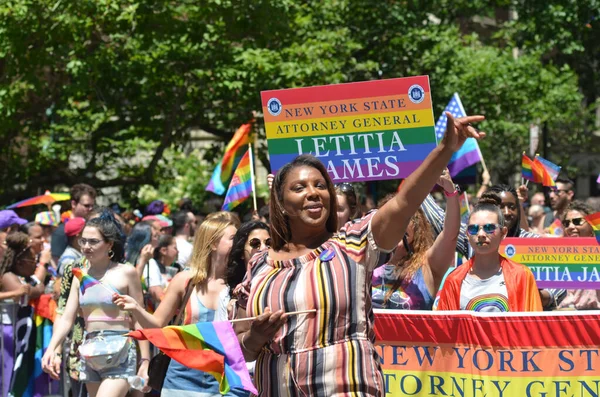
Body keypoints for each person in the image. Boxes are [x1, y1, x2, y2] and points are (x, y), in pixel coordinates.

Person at [232, 112, 486, 396]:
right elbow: (238, 348)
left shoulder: (353, 243)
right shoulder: (259, 266)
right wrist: (254, 338)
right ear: (281, 203)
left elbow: (404, 202)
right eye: (299, 187)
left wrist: (444, 149)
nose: (313, 193)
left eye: (320, 186)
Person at [113, 212, 244, 396]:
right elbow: (157, 324)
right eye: (233, 238)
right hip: (181, 380)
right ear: (213, 244)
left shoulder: (241, 284)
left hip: (225, 380)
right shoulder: (185, 280)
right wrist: (136, 307)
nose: (240, 243)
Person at [42, 211, 150, 397]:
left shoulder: (127, 272)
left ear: (109, 244)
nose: (86, 246)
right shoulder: (79, 276)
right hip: (89, 350)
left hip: (120, 351)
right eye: (83, 241)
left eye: (93, 242)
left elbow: (139, 319)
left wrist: (146, 360)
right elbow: (67, 318)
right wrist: (52, 349)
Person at [436, 192, 543, 312]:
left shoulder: (522, 275)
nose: (481, 234)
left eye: (489, 228)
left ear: (503, 233)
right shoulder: (454, 280)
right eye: (473, 229)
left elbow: (533, 325)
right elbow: (445, 327)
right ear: (467, 234)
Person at [372, 168, 460, 310]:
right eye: (389, 218)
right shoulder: (367, 263)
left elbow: (450, 234)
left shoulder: (427, 266)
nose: (396, 224)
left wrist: (450, 191)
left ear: (416, 226)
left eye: (404, 217)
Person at [557, 201, 600, 310]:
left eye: (577, 221)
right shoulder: (557, 255)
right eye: (566, 223)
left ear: (591, 226)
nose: (571, 227)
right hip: (567, 320)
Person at [51, 184, 97, 262]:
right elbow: (56, 260)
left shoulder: (92, 225)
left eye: (92, 206)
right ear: (74, 204)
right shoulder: (62, 230)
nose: (90, 209)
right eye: (86, 205)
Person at [0, 232, 47, 302]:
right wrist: (38, 289)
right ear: (20, 263)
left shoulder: (29, 277)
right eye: (32, 260)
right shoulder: (8, 276)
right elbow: (25, 293)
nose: (35, 264)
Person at [227, 221, 270, 289]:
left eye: (268, 242)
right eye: (255, 243)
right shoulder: (231, 288)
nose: (264, 248)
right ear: (242, 253)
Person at [143, 234, 179, 306]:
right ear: (164, 250)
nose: (178, 252)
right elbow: (157, 295)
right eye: (175, 248)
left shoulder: (164, 270)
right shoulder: (151, 264)